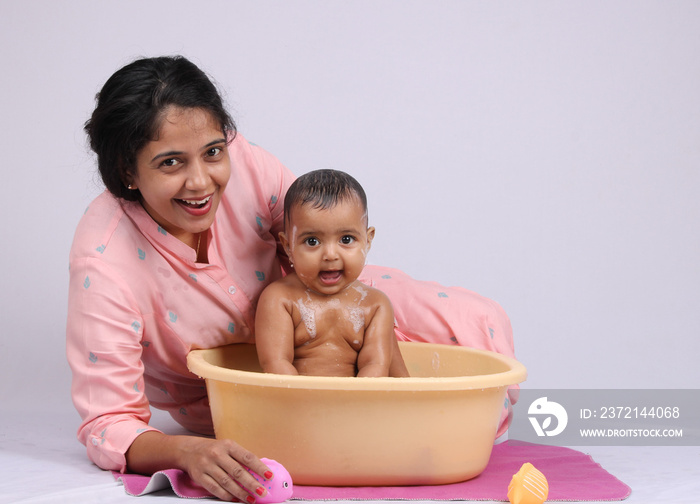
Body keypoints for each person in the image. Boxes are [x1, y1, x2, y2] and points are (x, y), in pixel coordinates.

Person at [67, 55, 517, 503]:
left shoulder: (245, 163)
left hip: (323, 302)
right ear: (128, 170)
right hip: (245, 397)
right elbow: (108, 423)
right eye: (170, 163)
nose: (201, 181)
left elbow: (317, 235)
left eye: (213, 152)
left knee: (476, 320)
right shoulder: (104, 262)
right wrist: (188, 453)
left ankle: (438, 423)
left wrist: (358, 311)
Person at [255, 169, 409, 378]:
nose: (330, 254)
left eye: (346, 239)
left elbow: (375, 368)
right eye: (312, 241)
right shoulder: (280, 299)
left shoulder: (375, 305)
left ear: (368, 240)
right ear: (288, 246)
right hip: (296, 404)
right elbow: (277, 365)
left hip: (358, 405)